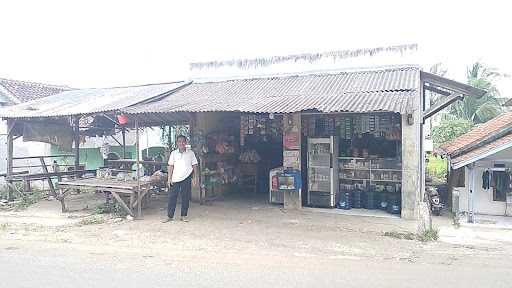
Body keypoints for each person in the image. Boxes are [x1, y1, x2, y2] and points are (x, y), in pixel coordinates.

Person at [162, 135, 198, 222]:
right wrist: (169, 178)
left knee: (185, 197)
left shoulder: (191, 153)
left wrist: (195, 177)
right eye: (179, 141)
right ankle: (170, 216)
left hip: (187, 177)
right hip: (175, 178)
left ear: (186, 143)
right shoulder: (173, 153)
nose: (181, 143)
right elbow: (170, 166)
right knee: (172, 197)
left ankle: (183, 215)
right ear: (177, 143)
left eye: (183, 141)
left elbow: (194, 165)